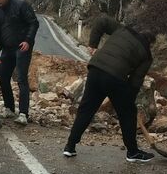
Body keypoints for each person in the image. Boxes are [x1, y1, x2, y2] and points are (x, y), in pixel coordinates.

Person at [63, 15, 155, 163]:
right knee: (128, 113)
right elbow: (135, 81)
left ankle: (70, 146)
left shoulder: (123, 30)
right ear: (150, 42)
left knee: (86, 109)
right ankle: (132, 152)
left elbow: (102, 21)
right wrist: (128, 103)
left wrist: (93, 44)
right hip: (115, 77)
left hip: (95, 69)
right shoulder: (147, 55)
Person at [0, 0, 39, 125]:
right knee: (3, 77)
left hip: (22, 46)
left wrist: (28, 40)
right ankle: (9, 107)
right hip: (7, 47)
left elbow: (33, 23)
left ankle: (23, 113)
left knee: (21, 78)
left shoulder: (21, 5)